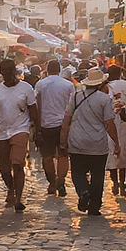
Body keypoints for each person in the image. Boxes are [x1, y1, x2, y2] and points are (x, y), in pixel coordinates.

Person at [62, 69, 120, 216]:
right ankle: (94, 206)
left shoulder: (75, 96)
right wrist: (116, 143)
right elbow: (110, 124)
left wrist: (63, 141)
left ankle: (83, 191)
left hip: (77, 141)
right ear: (101, 84)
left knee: (77, 172)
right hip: (98, 144)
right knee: (98, 175)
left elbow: (66, 120)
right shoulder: (104, 99)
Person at [0, 59, 39, 212]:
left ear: (15, 71)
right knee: (4, 168)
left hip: (20, 129)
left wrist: (38, 130)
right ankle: (11, 188)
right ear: (1, 72)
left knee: (17, 163)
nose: (8, 74)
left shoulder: (26, 88)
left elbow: (33, 110)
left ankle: (18, 198)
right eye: (4, 71)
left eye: (10, 71)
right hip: (1, 131)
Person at [33, 61, 76, 198]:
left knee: (47, 156)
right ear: (59, 70)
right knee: (63, 154)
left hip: (46, 124)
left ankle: (52, 182)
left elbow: (36, 105)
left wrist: (36, 126)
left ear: (47, 70)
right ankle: (61, 181)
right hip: (64, 124)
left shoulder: (40, 84)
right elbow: (73, 106)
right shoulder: (68, 85)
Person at [105, 65, 126, 197]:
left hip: (110, 121)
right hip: (125, 121)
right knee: (123, 152)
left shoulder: (106, 87)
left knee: (112, 153)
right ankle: (122, 183)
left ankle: (115, 183)